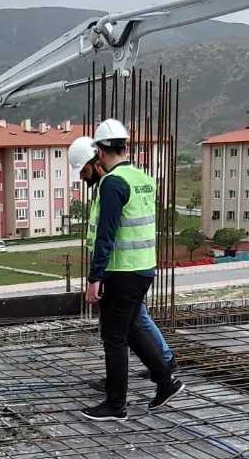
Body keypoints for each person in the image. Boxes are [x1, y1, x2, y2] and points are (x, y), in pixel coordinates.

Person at [71, 123, 183, 422]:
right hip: (143, 267)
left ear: (100, 150)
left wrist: (95, 278)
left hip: (121, 270)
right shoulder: (142, 177)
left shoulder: (112, 183)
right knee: (132, 328)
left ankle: (115, 405)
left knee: (114, 338)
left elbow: (106, 234)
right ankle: (165, 381)